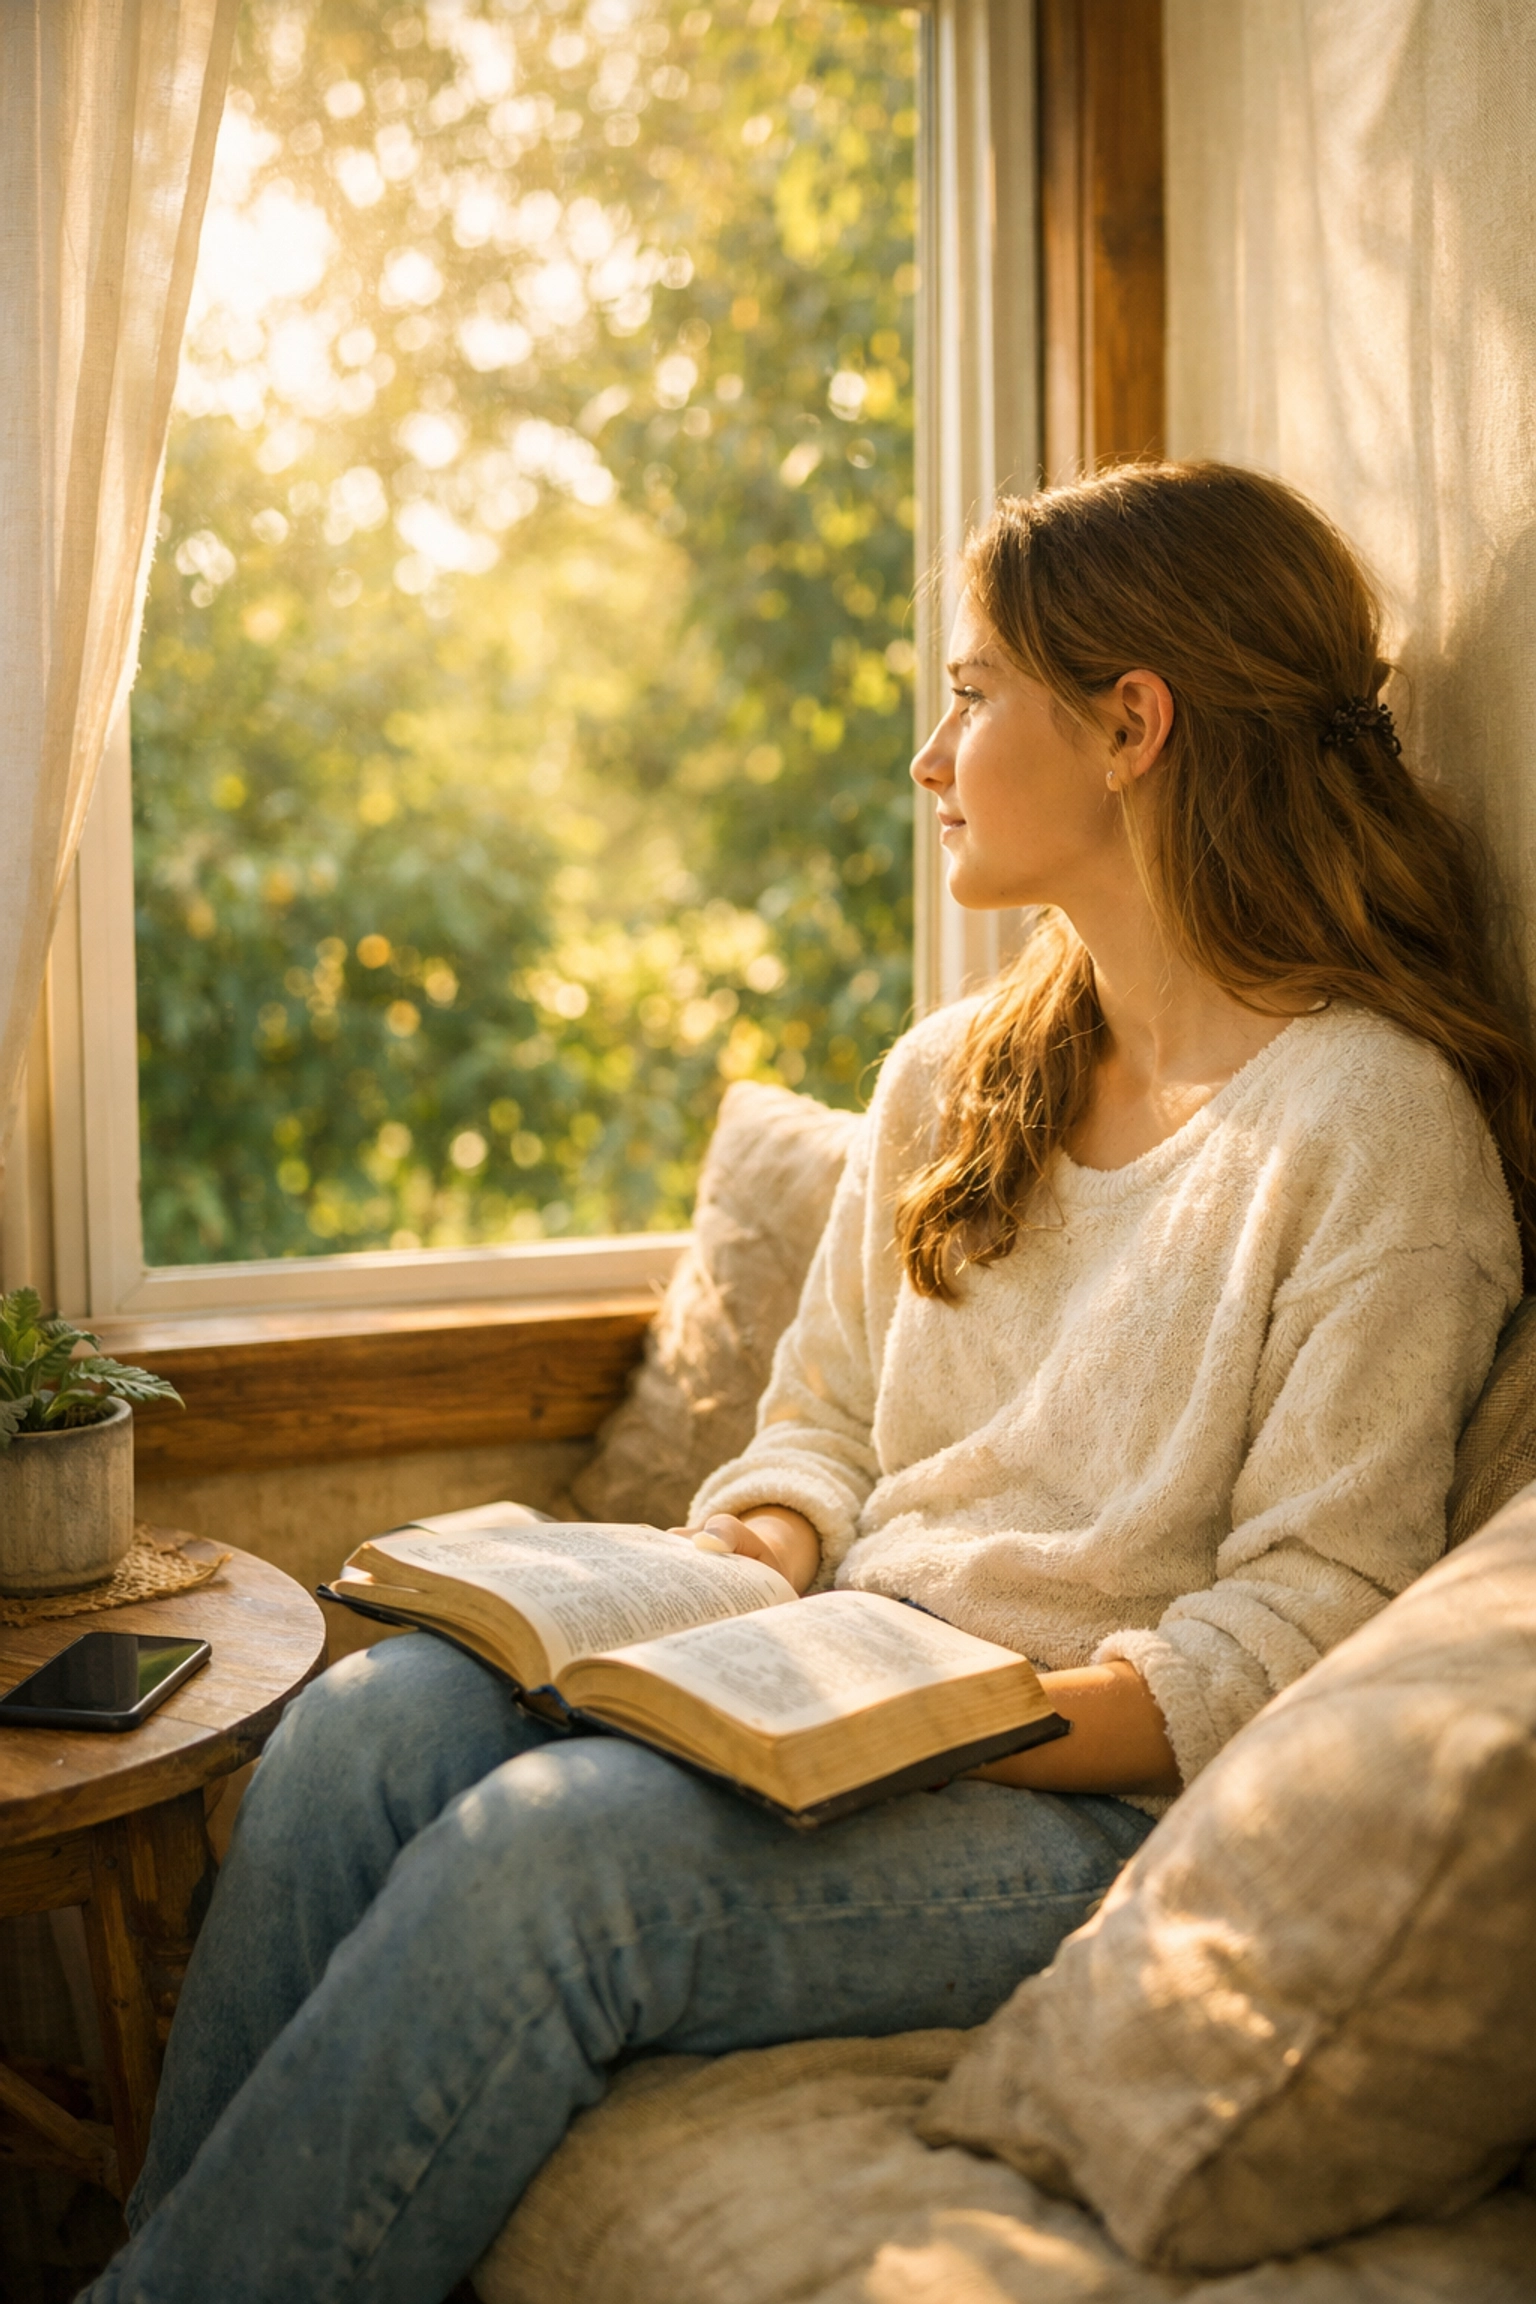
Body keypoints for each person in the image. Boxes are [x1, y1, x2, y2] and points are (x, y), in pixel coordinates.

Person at [78, 462, 1535, 2304]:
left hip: (1076, 1799)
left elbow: (1303, 1632)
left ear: (1130, 725)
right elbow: (824, 1429)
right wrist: (754, 1561)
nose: (933, 756)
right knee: (371, 1729)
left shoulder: (1371, 1128)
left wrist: (934, 1717)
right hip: (834, 1678)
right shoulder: (955, 1078)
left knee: (555, 1861)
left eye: (972, 688)